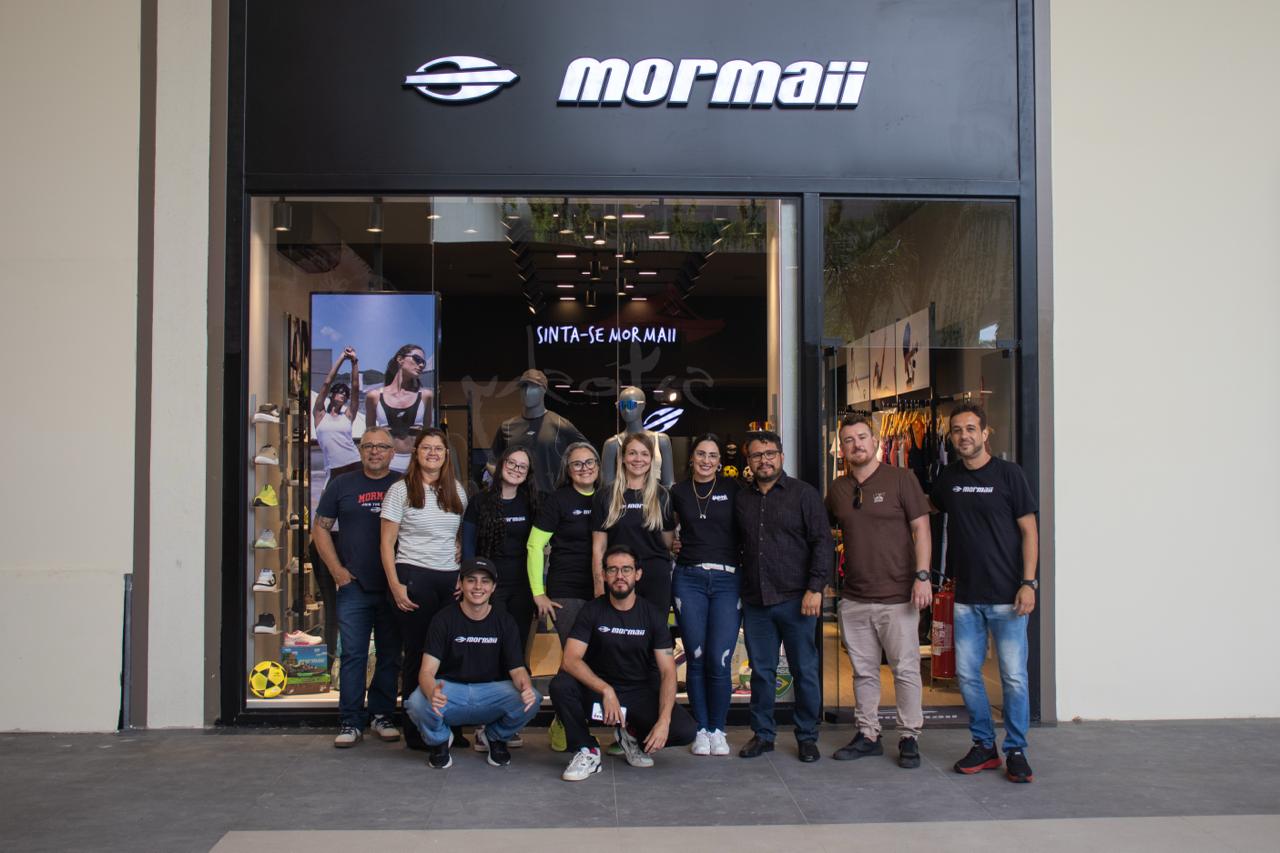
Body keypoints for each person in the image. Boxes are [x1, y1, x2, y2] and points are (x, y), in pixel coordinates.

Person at [930, 402, 1039, 783]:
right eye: (957, 430)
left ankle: (1017, 750)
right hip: (965, 597)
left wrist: (1029, 583)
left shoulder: (1010, 475)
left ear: (985, 433)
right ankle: (983, 745)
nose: (964, 436)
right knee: (967, 675)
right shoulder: (947, 478)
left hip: (1008, 597)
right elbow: (926, 515)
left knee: (1013, 678)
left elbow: (1029, 531)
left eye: (971, 429)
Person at [825, 414, 932, 768]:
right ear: (842, 449)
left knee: (905, 669)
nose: (857, 445)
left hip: (899, 595)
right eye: (849, 440)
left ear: (875, 442)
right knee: (864, 670)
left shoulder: (902, 478)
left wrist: (922, 576)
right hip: (855, 597)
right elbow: (822, 533)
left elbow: (922, 530)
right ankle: (868, 733)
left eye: (862, 438)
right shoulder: (838, 489)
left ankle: (908, 736)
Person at [550, 544, 697, 781]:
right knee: (561, 686)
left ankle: (631, 735)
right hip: (598, 696)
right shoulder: (592, 610)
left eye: (626, 569)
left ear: (637, 574)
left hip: (636, 695)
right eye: (613, 570)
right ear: (605, 575)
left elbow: (668, 672)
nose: (620, 576)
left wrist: (664, 721)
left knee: (685, 730)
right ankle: (587, 749)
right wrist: (605, 690)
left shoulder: (651, 615)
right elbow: (570, 660)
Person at [734, 429, 833, 763]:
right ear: (749, 461)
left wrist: (815, 588)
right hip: (756, 601)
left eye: (770, 453)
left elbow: (823, 542)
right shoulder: (742, 498)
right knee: (761, 672)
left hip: (797, 599)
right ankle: (763, 734)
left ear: (781, 456)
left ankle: (807, 736)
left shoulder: (804, 495)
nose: (764, 460)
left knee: (804, 669)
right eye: (757, 455)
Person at [403, 557, 541, 769]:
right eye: (471, 580)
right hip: (451, 693)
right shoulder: (444, 619)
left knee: (533, 698)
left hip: (490, 693)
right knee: (416, 702)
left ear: (493, 587)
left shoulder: (504, 621)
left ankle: (494, 737)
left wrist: (525, 687)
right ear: (460, 584)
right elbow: (426, 672)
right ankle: (440, 740)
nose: (478, 587)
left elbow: (517, 669)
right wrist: (433, 692)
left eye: (485, 581)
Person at [311, 426, 402, 748]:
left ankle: (382, 715)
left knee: (391, 655)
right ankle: (350, 721)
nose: (375, 451)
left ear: (393, 452)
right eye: (368, 446)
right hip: (355, 587)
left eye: (382, 447)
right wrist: (337, 571)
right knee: (353, 655)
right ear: (359, 450)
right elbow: (319, 529)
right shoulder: (341, 485)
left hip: (393, 587)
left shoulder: (403, 485)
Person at [380, 427, 467, 750]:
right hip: (413, 577)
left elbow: (457, 535)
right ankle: (415, 729)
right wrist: (395, 585)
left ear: (446, 456)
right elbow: (386, 544)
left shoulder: (456, 490)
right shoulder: (401, 490)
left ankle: (449, 726)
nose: (433, 453)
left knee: (449, 656)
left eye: (439, 449)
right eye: (426, 448)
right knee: (418, 655)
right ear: (416, 453)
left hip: (449, 580)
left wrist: (460, 569)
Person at [668, 433, 740, 756]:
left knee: (719, 658)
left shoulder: (734, 490)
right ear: (692, 458)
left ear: (719, 461)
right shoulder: (677, 492)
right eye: (701, 454)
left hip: (727, 581)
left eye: (712, 455)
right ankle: (701, 728)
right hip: (689, 579)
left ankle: (719, 729)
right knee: (695, 657)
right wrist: (671, 545)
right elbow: (667, 535)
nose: (706, 460)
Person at [526, 440, 599, 752]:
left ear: (598, 465)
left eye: (589, 462)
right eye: (577, 464)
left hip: (602, 590)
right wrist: (539, 593)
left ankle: (568, 717)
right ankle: (567, 724)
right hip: (566, 592)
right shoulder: (559, 500)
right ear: (568, 471)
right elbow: (533, 546)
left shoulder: (607, 497)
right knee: (575, 660)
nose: (584, 468)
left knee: (595, 659)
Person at [591, 431, 676, 616]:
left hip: (655, 578)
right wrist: (599, 586)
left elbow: (668, 542)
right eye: (632, 453)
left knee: (655, 638)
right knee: (621, 638)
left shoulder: (662, 496)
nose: (639, 459)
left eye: (645, 454)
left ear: (652, 459)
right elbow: (599, 548)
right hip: (619, 577)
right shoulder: (605, 496)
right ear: (622, 458)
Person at [463, 446, 538, 654]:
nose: (516, 469)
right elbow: (468, 546)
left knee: (519, 640)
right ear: (502, 465)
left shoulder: (531, 503)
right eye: (512, 463)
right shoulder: (480, 502)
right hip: (489, 585)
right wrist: (469, 580)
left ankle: (517, 682)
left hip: (522, 585)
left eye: (523, 466)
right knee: (491, 641)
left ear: (528, 472)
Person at [489, 369, 586, 496]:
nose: (527, 392)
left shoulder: (560, 425)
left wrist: (573, 490)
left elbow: (587, 457)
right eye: (524, 387)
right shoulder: (507, 427)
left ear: (544, 390)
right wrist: (508, 480)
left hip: (551, 501)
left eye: (533, 387)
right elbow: (492, 463)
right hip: (518, 500)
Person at [366, 343, 434, 473]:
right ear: (400, 359)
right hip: (385, 465)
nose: (421, 365)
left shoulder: (426, 396)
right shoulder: (374, 396)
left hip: (416, 465)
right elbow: (370, 434)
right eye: (417, 359)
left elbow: (426, 434)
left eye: (423, 363)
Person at [313, 346, 361, 479]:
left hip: (354, 463)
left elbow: (356, 387)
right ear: (332, 395)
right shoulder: (320, 414)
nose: (343, 395)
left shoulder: (348, 415)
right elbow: (326, 383)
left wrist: (354, 362)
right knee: (327, 499)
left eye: (345, 394)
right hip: (333, 468)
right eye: (339, 392)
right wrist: (342, 357)